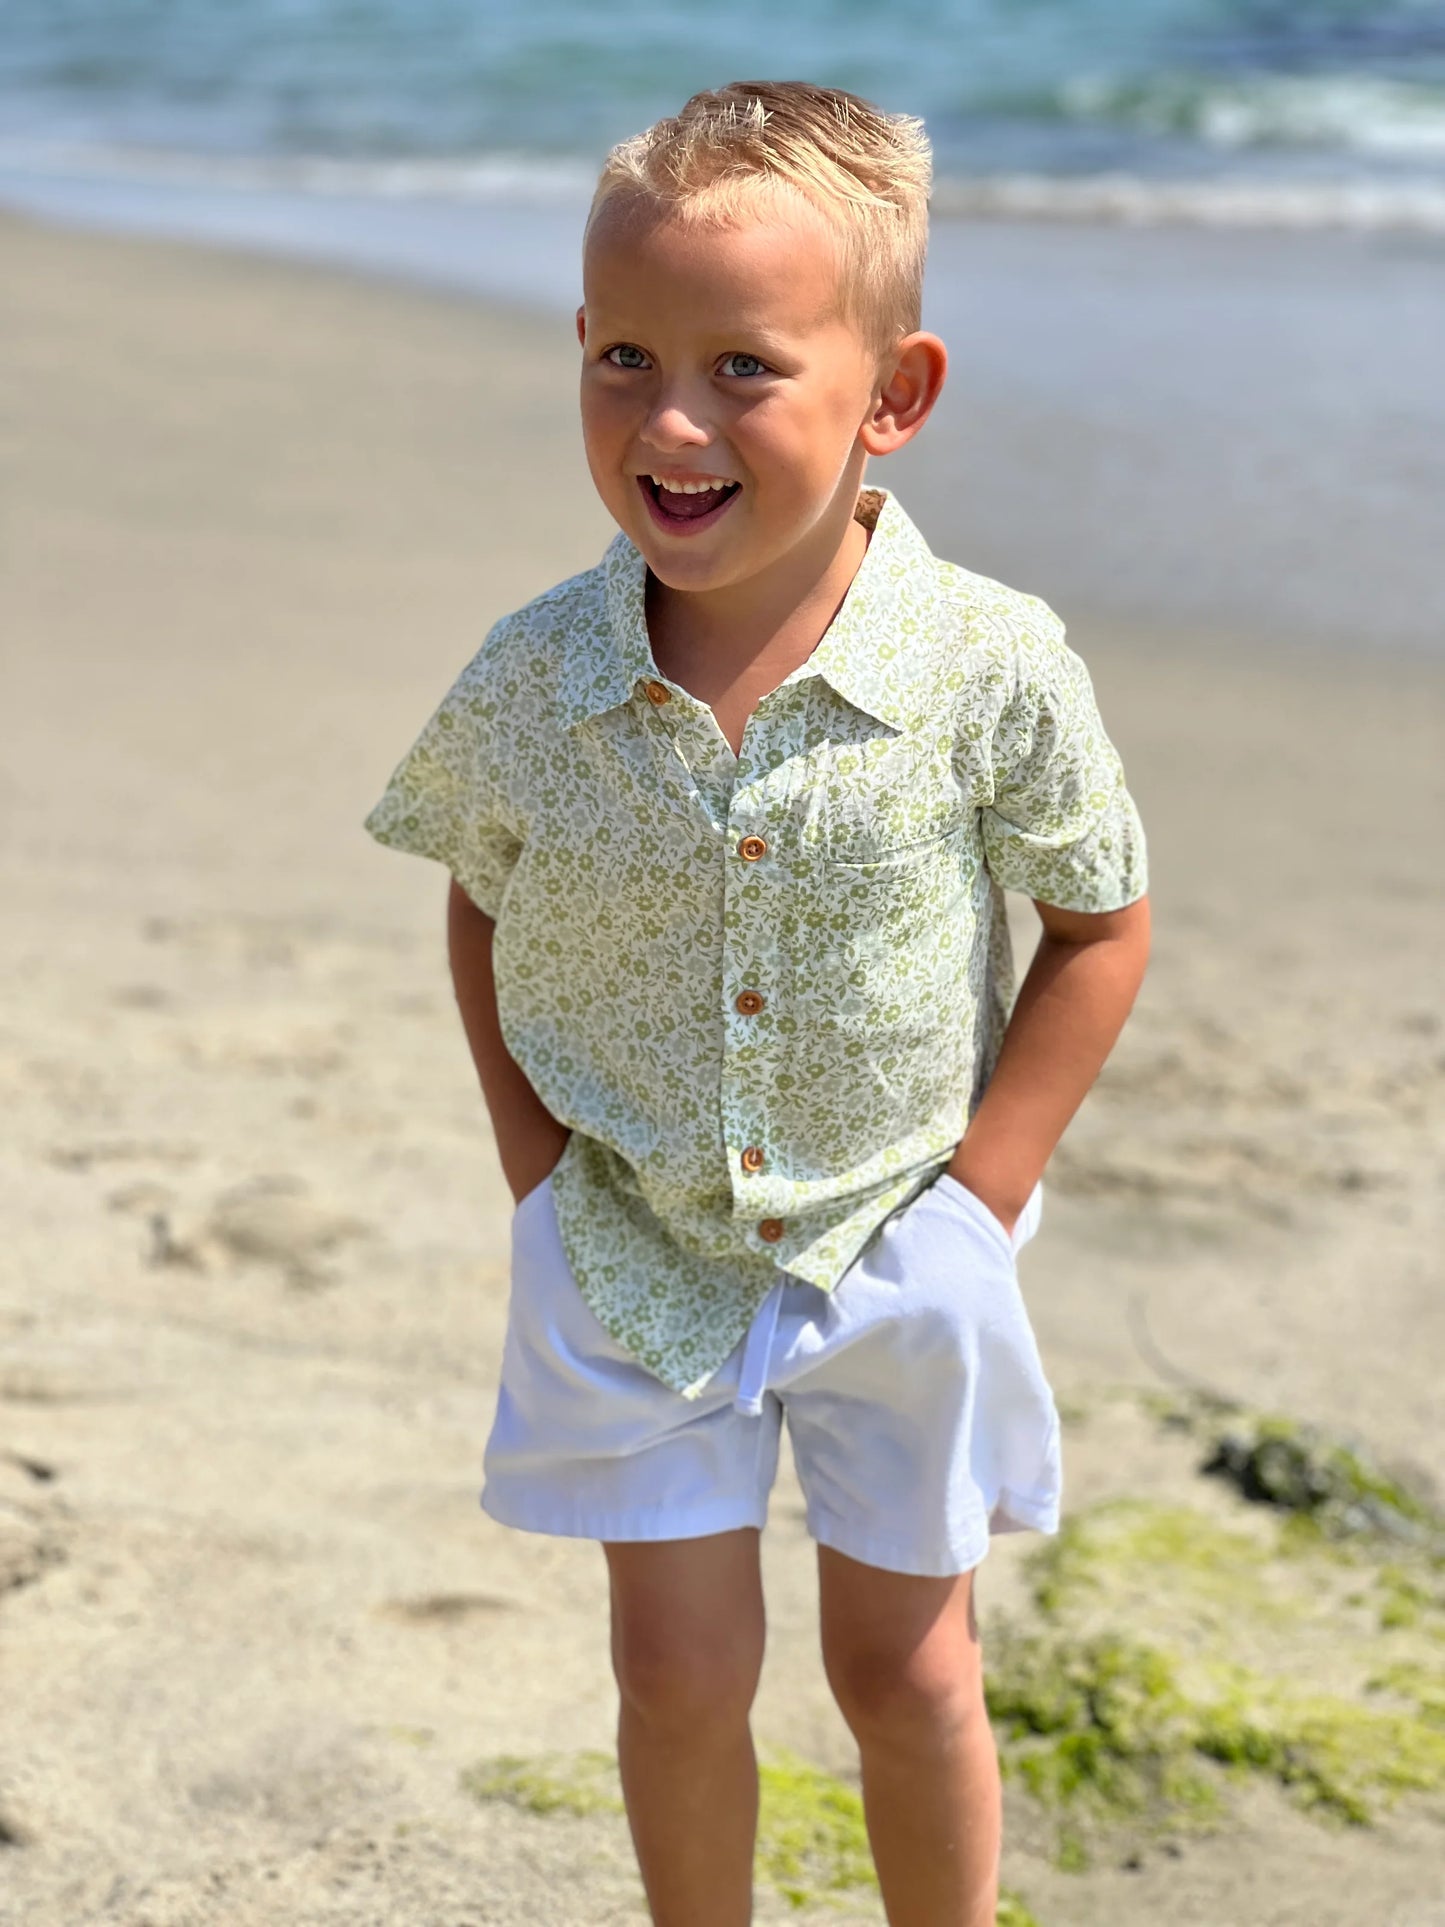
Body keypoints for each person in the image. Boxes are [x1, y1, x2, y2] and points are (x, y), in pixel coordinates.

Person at [364, 78, 1150, 1927]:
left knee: (910, 1675)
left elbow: (1098, 929)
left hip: (900, 1240)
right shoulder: (536, 674)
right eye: (625, 356)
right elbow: (480, 908)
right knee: (678, 1676)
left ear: (893, 395)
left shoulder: (987, 663)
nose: (672, 419)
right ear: (574, 346)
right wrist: (536, 1177)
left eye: (743, 368)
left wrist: (980, 1204)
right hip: (628, 1242)